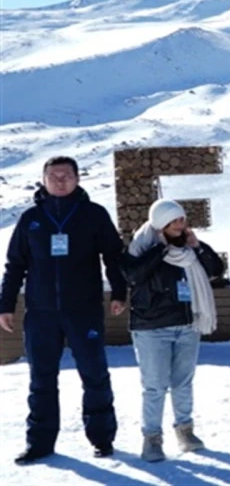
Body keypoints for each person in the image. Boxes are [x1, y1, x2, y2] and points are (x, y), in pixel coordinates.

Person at [1, 156, 128, 465]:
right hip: (41, 313)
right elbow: (15, 264)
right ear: (44, 180)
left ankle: (102, 438)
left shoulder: (94, 215)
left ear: (77, 178)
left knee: (94, 374)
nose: (60, 180)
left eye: (66, 175)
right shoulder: (31, 218)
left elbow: (113, 255)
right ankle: (40, 443)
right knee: (41, 379)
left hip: (83, 310)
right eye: (54, 175)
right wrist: (5, 305)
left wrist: (119, 291)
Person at [123, 199, 225, 462]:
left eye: (182, 219)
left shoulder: (189, 249)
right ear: (160, 223)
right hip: (152, 328)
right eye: (174, 220)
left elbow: (216, 270)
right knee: (155, 386)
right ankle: (152, 439)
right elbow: (132, 275)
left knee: (183, 382)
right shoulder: (142, 247)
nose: (180, 225)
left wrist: (197, 247)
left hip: (187, 325)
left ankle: (185, 431)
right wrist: (161, 251)